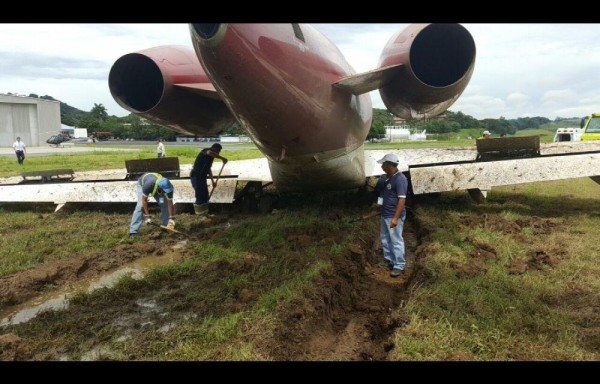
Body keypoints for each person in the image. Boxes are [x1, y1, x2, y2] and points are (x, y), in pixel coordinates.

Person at [376, 153, 408, 277]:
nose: (382, 166)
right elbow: (383, 195)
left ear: (389, 165)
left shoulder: (400, 179)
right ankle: (390, 260)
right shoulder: (387, 177)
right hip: (385, 214)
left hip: (393, 216)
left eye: (383, 164)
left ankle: (399, 265)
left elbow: (402, 200)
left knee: (396, 240)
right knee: (385, 238)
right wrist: (379, 206)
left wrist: (395, 218)